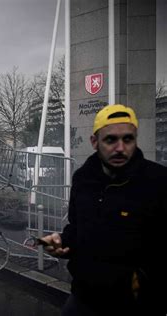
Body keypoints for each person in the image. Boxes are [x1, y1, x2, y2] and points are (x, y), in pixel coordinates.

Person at [40, 104, 167, 315]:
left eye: (128, 139)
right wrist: (62, 242)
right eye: (111, 140)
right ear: (94, 141)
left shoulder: (158, 181)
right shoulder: (82, 178)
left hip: (137, 306)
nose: (120, 147)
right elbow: (77, 229)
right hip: (83, 299)